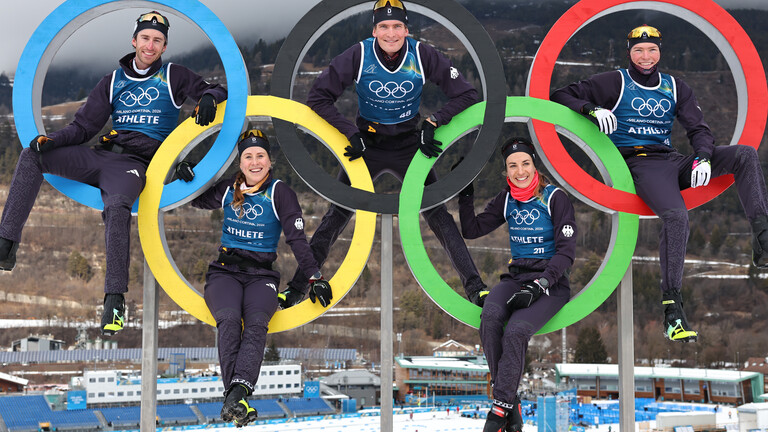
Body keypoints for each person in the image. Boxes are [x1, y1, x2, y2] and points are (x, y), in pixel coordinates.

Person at [0, 11, 227, 336]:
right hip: (103, 155)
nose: (150, 45)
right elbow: (83, 127)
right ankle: (6, 244)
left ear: (164, 47)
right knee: (32, 156)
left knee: (117, 205)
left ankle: (114, 300)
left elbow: (216, 89)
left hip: (136, 163)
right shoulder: (113, 81)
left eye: (157, 41)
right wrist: (51, 141)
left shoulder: (173, 75)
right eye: (145, 38)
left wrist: (206, 98)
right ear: (134, 41)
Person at [550, 25, 768, 343]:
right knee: (677, 216)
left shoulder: (674, 86)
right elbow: (559, 95)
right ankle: (672, 312)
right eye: (639, 50)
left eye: (652, 49)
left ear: (660, 52)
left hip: (673, 161)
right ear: (629, 53)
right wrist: (591, 109)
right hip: (640, 164)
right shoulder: (615, 81)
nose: (646, 56)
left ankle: (762, 241)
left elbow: (699, 129)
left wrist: (704, 157)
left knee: (745, 155)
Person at [276, 0, 487, 308]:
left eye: (398, 26)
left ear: (407, 29)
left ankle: (476, 288)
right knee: (336, 216)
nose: (391, 33)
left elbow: (467, 93)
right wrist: (350, 131)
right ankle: (297, 288)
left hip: (408, 144)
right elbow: (317, 96)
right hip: (368, 145)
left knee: (439, 216)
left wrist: (435, 121)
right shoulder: (359, 54)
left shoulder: (423, 54)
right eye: (384, 27)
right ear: (374, 30)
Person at [187, 129, 333, 426]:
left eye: (261, 156)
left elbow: (297, 240)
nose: (255, 162)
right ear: (240, 163)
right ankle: (237, 396)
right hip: (225, 272)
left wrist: (315, 278)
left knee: (256, 324)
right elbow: (194, 200)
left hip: (261, 276)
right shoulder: (228, 190)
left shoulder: (280, 192)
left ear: (270, 160)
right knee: (228, 319)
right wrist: (186, 174)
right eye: (248, 156)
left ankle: (235, 396)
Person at [458, 138, 576, 432]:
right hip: (516, 277)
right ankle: (510, 404)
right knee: (490, 318)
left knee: (516, 332)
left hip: (551, 282)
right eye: (512, 165)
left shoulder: (554, 198)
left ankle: (500, 409)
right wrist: (465, 192)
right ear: (506, 170)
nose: (519, 171)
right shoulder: (507, 199)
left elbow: (566, 252)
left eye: (525, 163)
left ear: (534, 165)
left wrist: (541, 284)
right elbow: (472, 229)